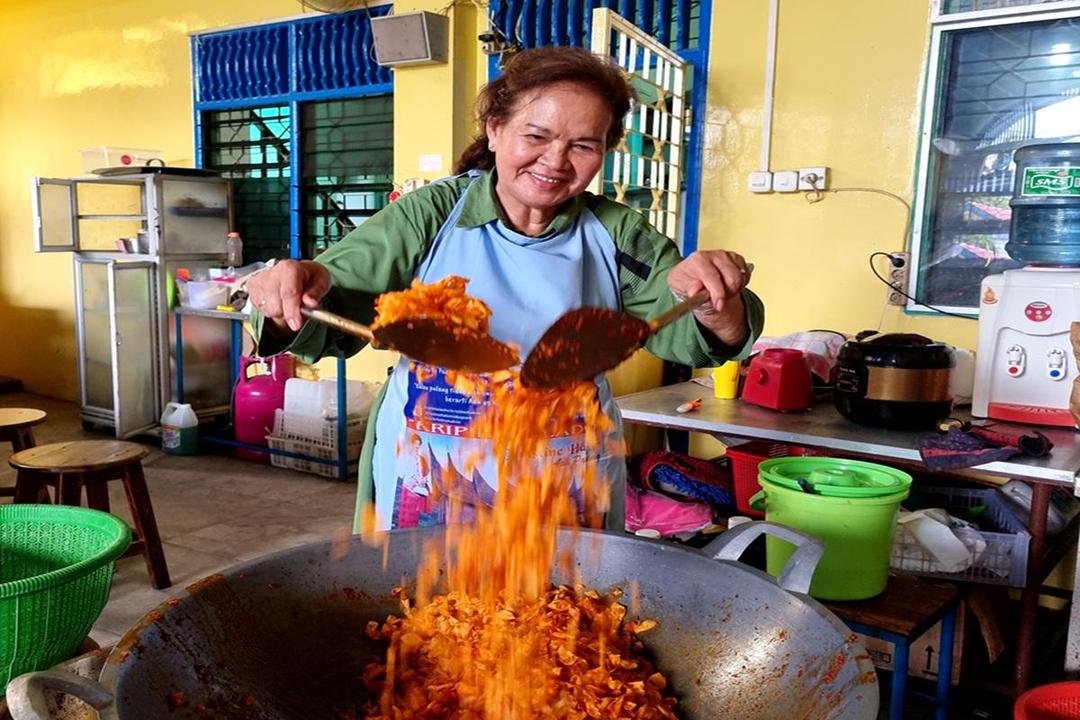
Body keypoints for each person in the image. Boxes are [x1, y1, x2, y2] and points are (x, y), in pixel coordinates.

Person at [248, 46, 764, 532]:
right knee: (427, 612)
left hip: (564, 474)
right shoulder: (431, 214)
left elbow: (686, 329)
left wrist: (716, 304)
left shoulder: (617, 233)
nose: (556, 161)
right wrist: (287, 295)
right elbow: (333, 305)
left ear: (604, 151)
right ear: (495, 130)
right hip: (435, 470)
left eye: (583, 145)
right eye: (536, 136)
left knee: (569, 615)